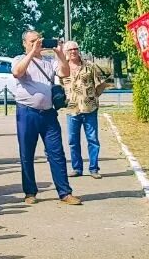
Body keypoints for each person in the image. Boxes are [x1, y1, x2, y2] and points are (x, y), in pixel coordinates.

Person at [10, 29, 80, 205]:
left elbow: (64, 73)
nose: (37, 44)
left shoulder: (49, 61)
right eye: (32, 41)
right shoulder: (19, 59)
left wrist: (60, 54)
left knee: (56, 153)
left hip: (48, 114)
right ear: (24, 43)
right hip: (27, 112)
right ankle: (30, 192)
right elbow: (18, 73)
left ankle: (65, 192)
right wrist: (32, 53)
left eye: (38, 40)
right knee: (27, 153)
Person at [57, 41, 110, 179]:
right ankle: (77, 168)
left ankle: (93, 168)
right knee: (73, 140)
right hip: (72, 109)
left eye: (75, 49)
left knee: (93, 139)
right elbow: (59, 87)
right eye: (70, 50)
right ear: (66, 52)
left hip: (89, 107)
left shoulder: (89, 66)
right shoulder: (63, 68)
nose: (73, 52)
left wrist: (96, 94)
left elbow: (100, 84)